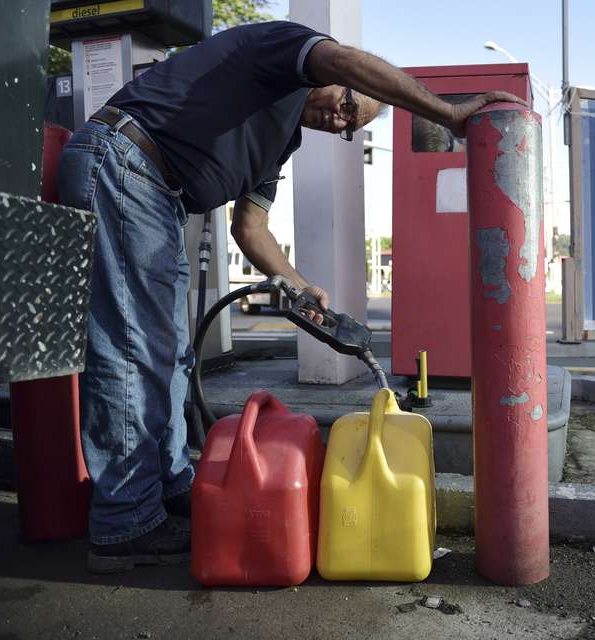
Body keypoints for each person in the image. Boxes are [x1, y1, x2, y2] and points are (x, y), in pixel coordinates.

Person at [56, 20, 524, 574]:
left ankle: (172, 487)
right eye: (350, 105)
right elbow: (345, 58)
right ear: (339, 75)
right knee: (134, 349)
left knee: (171, 352)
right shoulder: (278, 52)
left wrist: (302, 287)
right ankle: (124, 523)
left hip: (160, 197)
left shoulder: (283, 142)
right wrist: (446, 113)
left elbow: (250, 229)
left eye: (352, 127)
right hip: (124, 163)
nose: (342, 121)